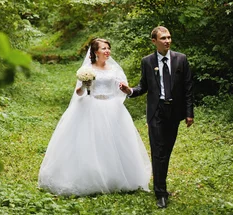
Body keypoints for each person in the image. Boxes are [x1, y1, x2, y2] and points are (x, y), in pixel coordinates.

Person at [38, 38, 152, 196]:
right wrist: (85, 84)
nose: (107, 51)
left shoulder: (114, 69)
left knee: (115, 143)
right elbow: (78, 93)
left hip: (113, 108)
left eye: (108, 48)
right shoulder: (87, 70)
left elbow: (121, 89)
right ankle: (93, 178)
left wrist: (125, 89)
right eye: (103, 48)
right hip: (92, 106)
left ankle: (116, 177)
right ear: (95, 52)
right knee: (93, 142)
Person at [119, 26, 194, 209]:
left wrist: (189, 113)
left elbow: (188, 88)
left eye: (169, 37)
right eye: (163, 38)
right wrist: (130, 91)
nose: (167, 41)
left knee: (166, 152)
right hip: (156, 112)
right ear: (154, 41)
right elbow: (143, 86)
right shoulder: (147, 61)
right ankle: (160, 193)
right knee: (158, 152)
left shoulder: (181, 59)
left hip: (174, 112)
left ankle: (161, 184)